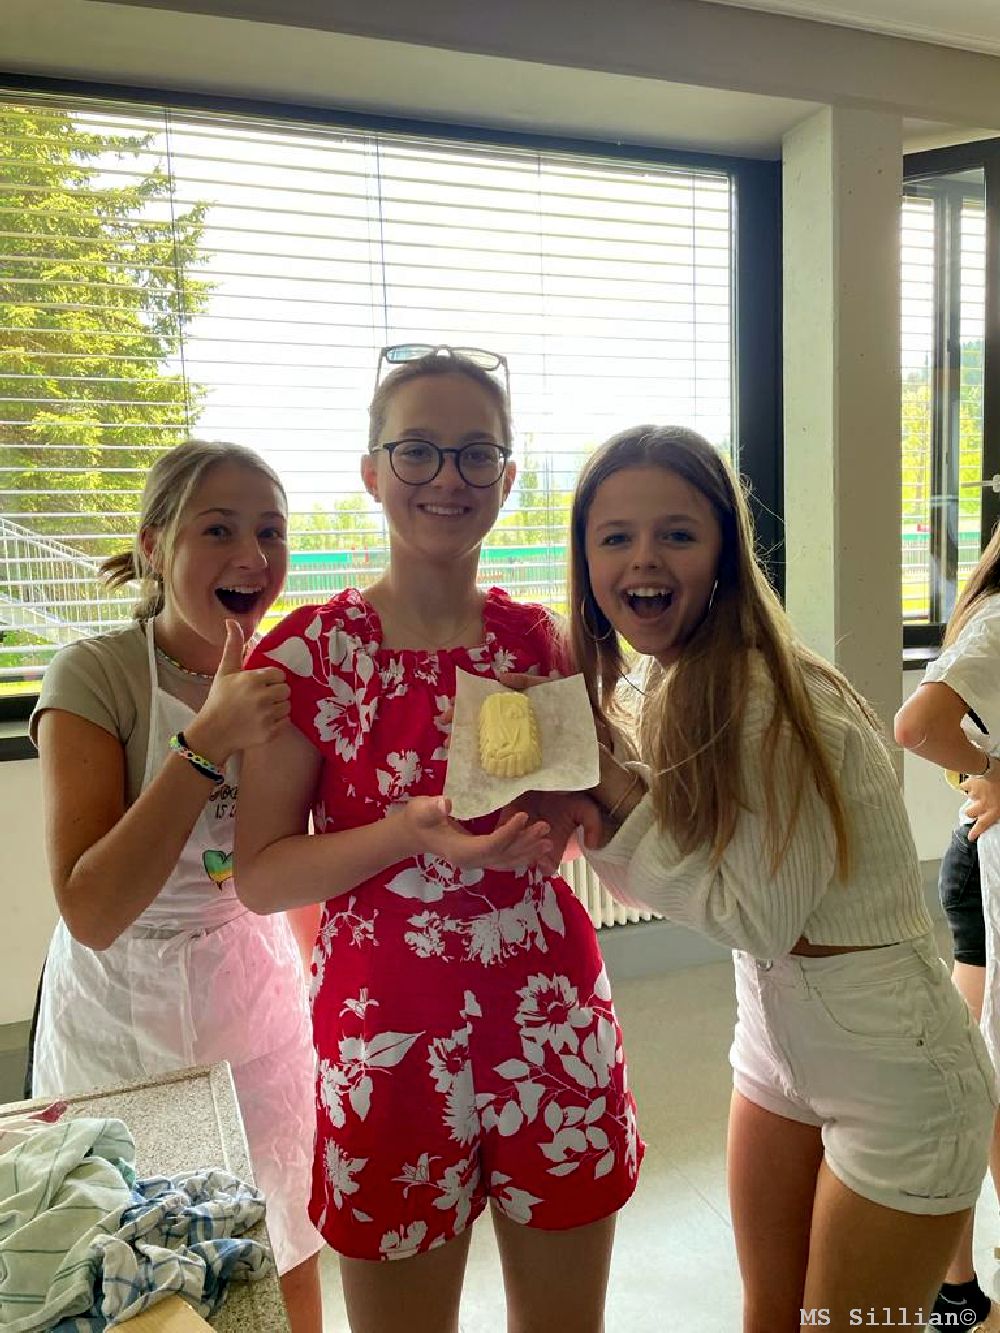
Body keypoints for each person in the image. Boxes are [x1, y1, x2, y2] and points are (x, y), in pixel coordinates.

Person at [548, 423, 995, 1333]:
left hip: (897, 1067)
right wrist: (597, 811)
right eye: (615, 535)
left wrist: (615, 795)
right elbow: (678, 873)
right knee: (768, 1315)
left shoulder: (760, 695)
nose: (644, 557)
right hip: (774, 1037)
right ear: (586, 561)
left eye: (677, 532)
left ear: (723, 550)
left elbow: (758, 913)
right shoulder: (660, 684)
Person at [234, 347, 642, 1333]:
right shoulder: (310, 654)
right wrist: (408, 835)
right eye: (417, 450)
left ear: (506, 476)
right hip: (385, 1035)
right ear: (372, 472)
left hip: (547, 1018)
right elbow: (261, 874)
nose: (447, 478)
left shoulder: (540, 642)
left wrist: (566, 817)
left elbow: (568, 824)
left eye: (475, 453)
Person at [29, 440, 324, 1333]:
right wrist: (206, 742)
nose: (253, 556)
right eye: (219, 529)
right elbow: (92, 909)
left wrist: (325, 989)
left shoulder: (290, 672)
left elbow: (291, 858)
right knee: (134, 1264)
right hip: (119, 1006)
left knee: (283, 1231)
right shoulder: (95, 675)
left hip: (254, 991)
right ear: (155, 545)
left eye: (271, 531)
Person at [895, 528, 1000, 1327]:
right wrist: (990, 772)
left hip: (983, 857)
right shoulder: (998, 616)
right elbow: (918, 723)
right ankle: (956, 1286)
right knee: (978, 1086)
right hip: (984, 870)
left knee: (975, 1084)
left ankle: (955, 1286)